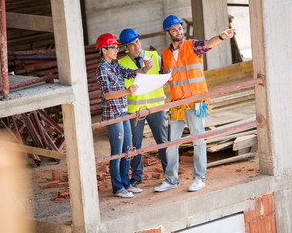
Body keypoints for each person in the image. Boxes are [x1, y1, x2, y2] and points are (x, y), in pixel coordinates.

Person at [154, 15, 236, 192]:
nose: (179, 32)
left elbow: (208, 44)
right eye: (175, 29)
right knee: (171, 143)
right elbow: (164, 78)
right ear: (168, 33)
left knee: (198, 140)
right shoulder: (165, 54)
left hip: (196, 102)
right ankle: (171, 180)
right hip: (177, 104)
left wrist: (221, 36)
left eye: (180, 28)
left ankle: (199, 178)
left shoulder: (192, 46)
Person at [95, 33, 154, 198]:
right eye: (113, 47)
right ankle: (118, 187)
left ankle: (126, 183)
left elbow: (131, 73)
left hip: (122, 111)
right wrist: (127, 91)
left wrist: (145, 69)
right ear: (104, 50)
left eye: (116, 47)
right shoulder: (102, 69)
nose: (116, 50)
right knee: (117, 152)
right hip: (113, 115)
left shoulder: (115, 65)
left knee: (128, 148)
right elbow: (107, 95)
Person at [118, 29, 167, 187]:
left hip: (156, 107)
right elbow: (125, 85)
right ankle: (137, 176)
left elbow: (164, 75)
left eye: (137, 42)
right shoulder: (121, 64)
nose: (136, 46)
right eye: (131, 45)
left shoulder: (154, 56)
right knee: (135, 144)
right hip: (135, 110)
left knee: (162, 141)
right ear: (125, 47)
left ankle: (169, 173)